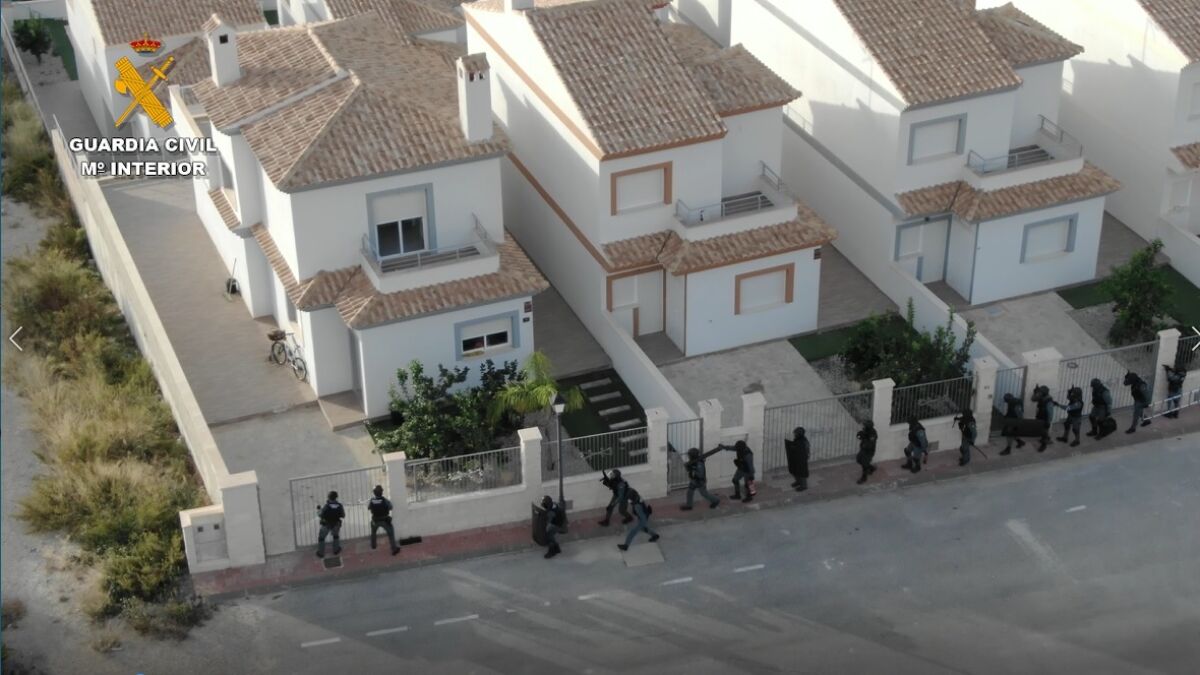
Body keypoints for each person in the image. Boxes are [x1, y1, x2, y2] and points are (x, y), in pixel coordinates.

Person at [617, 487, 659, 551]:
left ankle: (626, 546)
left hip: (643, 519)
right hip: (643, 517)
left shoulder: (637, 506)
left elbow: (643, 516)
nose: (629, 502)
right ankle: (655, 535)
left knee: (633, 531)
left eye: (629, 500)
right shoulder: (638, 498)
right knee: (643, 528)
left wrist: (642, 523)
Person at [367, 485, 400, 556]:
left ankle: (373, 545)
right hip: (384, 520)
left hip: (375, 520)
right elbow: (391, 507)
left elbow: (369, 507)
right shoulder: (384, 500)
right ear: (381, 492)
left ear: (374, 493)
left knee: (373, 532)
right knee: (391, 533)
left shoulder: (372, 500)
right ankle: (394, 549)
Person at [315, 491, 345, 558]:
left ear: (329, 497)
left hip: (326, 525)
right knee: (335, 536)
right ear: (336, 497)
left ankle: (321, 553)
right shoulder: (339, 505)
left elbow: (320, 515)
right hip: (336, 524)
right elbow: (343, 515)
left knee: (321, 538)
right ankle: (336, 550)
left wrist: (319, 509)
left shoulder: (326, 506)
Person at [784, 427, 811, 491]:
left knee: (801, 472)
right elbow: (795, 447)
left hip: (802, 459)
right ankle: (798, 482)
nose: (794, 434)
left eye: (795, 433)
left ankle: (804, 486)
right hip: (796, 458)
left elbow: (806, 449)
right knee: (795, 470)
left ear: (799, 433)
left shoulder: (804, 440)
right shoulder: (797, 439)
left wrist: (806, 455)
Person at [1030, 385, 1056, 452]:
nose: (1039, 393)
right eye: (1039, 392)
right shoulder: (1041, 396)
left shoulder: (1049, 400)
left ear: (1044, 392)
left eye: (1040, 392)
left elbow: (1050, 412)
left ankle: (1044, 445)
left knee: (1044, 431)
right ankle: (1047, 438)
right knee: (1041, 429)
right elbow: (1033, 399)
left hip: (1045, 417)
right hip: (1040, 415)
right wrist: (1035, 392)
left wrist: (1049, 421)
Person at [855, 421, 878, 485]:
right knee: (858, 459)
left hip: (869, 452)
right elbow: (859, 434)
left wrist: (864, 439)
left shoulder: (873, 433)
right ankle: (872, 468)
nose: (864, 426)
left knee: (864, 464)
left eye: (865, 425)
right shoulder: (865, 430)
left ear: (868, 426)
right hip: (863, 450)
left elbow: (870, 444)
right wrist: (859, 436)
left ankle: (864, 478)